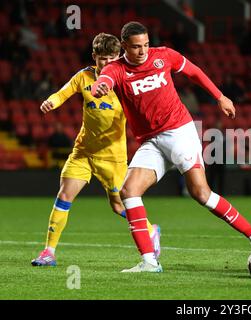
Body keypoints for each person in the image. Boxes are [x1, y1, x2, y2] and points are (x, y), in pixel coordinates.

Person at [91, 21, 251, 273]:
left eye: (145, 44)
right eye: (135, 47)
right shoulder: (116, 69)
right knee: (129, 191)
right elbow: (106, 80)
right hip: (151, 141)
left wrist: (220, 96)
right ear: (123, 46)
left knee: (201, 194)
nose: (142, 51)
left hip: (179, 132)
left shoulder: (163, 55)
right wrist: (101, 86)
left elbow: (194, 72)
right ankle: (149, 262)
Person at [31, 33, 161, 267]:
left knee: (119, 206)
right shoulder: (84, 77)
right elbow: (63, 92)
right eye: (102, 59)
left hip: (113, 157)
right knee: (64, 196)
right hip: (83, 152)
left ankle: (151, 230)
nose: (107, 64)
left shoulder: (124, 82)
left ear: (118, 57)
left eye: (112, 59)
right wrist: (51, 101)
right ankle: (48, 252)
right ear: (94, 57)